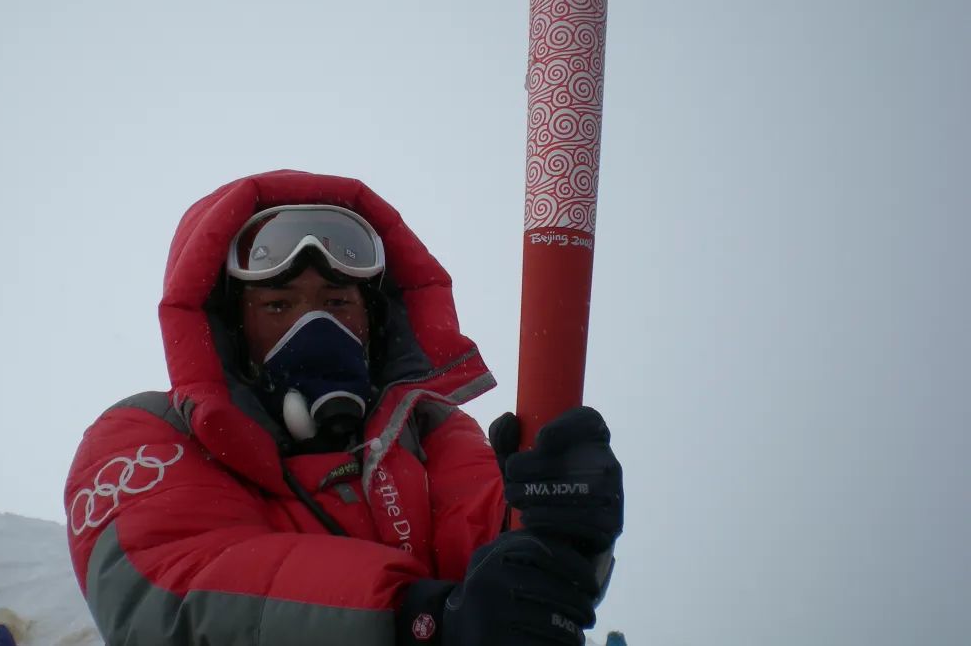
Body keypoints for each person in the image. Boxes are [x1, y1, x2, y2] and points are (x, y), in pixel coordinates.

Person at [64, 170, 623, 645]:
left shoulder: (431, 433)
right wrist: (416, 618)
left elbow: (504, 566)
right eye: (279, 305)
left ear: (375, 321)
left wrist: (564, 531)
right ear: (229, 331)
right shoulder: (151, 434)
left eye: (337, 302)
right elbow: (169, 590)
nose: (317, 326)